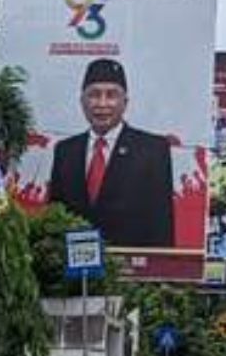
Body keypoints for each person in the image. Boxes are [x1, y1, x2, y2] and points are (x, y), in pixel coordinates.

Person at [45, 59, 175, 249]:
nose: (102, 104)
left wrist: (158, 273)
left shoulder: (152, 150)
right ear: (82, 101)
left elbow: (161, 222)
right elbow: (54, 216)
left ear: (125, 102)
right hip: (76, 269)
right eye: (94, 95)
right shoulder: (65, 150)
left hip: (129, 269)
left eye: (111, 95)